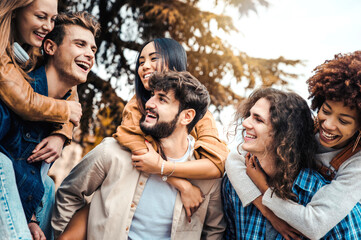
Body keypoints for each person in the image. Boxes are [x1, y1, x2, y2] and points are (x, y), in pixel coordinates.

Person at [56, 38, 229, 240]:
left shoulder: (203, 120)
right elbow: (133, 148)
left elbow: (218, 163)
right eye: (140, 61)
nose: (144, 66)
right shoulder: (129, 118)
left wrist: (166, 170)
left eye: (153, 58)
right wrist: (180, 183)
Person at [226, 52, 361, 239]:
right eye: (326, 111)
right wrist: (267, 211)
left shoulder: (356, 167)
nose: (328, 125)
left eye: (344, 121)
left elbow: (315, 225)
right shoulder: (304, 131)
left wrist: (263, 186)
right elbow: (234, 158)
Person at [0, 11, 99, 240]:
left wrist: (30, 218)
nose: (89, 54)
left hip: (22, 203)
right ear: (50, 48)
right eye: (80, 44)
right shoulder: (14, 94)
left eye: (93, 49)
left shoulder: (63, 113)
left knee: (49, 189)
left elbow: (28, 176)